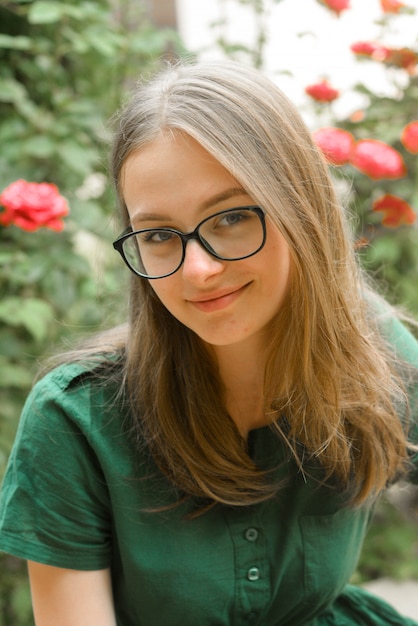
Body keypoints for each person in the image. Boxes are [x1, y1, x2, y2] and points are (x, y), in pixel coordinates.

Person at [0, 59, 417, 626]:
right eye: (159, 234)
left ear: (303, 208)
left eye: (231, 218)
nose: (198, 268)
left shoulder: (373, 347)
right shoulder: (75, 417)